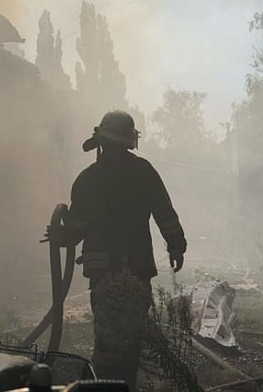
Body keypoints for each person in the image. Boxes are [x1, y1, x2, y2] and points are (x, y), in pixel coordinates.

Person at [47, 110, 187, 389]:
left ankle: (105, 386)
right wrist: (176, 244)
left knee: (107, 342)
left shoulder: (88, 179)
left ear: (101, 141)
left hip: (104, 275)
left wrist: (61, 235)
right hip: (136, 271)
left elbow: (77, 228)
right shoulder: (144, 172)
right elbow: (164, 213)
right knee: (130, 344)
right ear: (129, 142)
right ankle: (123, 386)